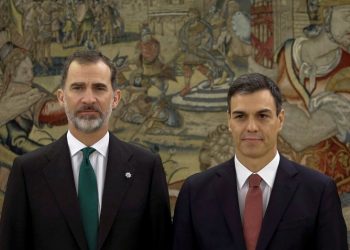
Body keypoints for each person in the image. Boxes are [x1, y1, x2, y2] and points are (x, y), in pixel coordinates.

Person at [0, 50, 172, 250]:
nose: (88, 99)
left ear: (115, 98)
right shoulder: (28, 171)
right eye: (78, 88)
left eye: (99, 88)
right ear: (61, 98)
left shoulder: (146, 168)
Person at [172, 73, 348, 250]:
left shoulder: (318, 191)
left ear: (280, 120)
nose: (251, 127)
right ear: (229, 121)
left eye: (262, 116)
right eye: (240, 116)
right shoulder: (195, 192)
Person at [276, 0, 350, 192]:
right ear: (324, 15)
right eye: (348, 17)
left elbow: (304, 135)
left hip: (332, 187)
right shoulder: (288, 53)